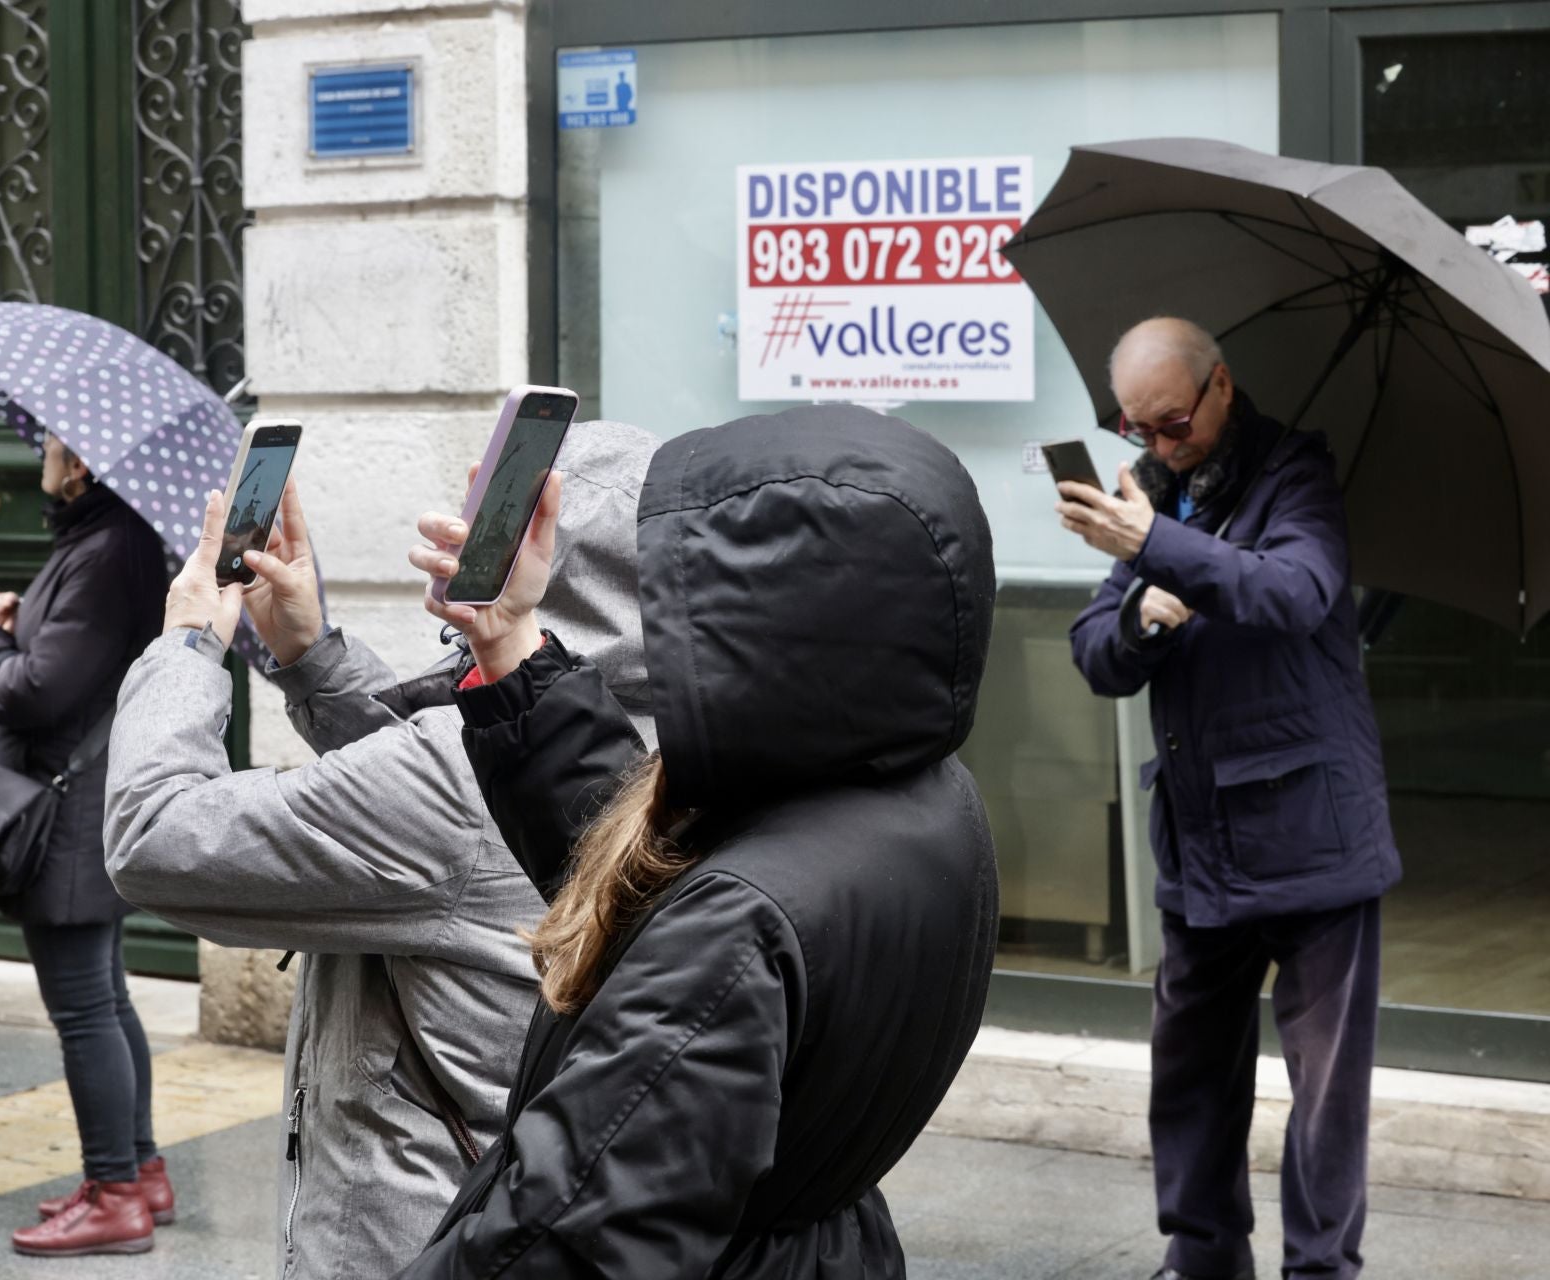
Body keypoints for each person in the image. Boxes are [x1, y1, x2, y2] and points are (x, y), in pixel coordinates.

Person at [399, 404, 1000, 1278]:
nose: (667, 623)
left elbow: (564, 1239)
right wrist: (509, 648)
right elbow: (656, 866)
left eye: (695, 598)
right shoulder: (913, 789)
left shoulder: (740, 925)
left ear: (783, 623)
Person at [102, 425, 657, 1280]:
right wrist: (311, 655)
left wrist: (187, 642)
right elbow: (454, 799)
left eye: (496, 515)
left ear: (540, 551)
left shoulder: (453, 775)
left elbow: (153, 834)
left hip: (411, 1238)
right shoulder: (658, 736)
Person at [1057, 317, 1401, 1280]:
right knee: (1191, 1072)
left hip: (1313, 834)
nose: (1159, 446)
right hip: (1203, 835)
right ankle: (1202, 1256)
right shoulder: (1156, 498)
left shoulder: (1299, 474)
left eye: (1172, 423)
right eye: (1138, 431)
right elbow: (1096, 654)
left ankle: (1320, 1269)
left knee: (1325, 1090)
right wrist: (1142, 609)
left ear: (1221, 388)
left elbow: (1296, 591)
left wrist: (1156, 546)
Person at [0, 431, 174, 1258]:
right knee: (106, 998)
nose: (40, 458)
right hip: (85, 805)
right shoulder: (99, 540)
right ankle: (139, 1171)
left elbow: (39, 691)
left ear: (80, 463)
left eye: (51, 445)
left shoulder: (105, 549)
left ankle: (116, 1191)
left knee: (84, 1006)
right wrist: (23, 624)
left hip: (70, 816)